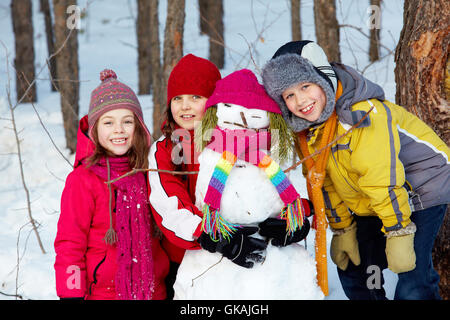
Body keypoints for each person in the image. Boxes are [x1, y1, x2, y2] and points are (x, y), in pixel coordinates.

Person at [261, 40, 450, 300]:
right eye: (289, 95)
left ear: (323, 78)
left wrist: (398, 231)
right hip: (374, 196)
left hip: (421, 185)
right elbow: (326, 183)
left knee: (412, 279)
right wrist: (344, 229)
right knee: (354, 267)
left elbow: (380, 176)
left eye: (305, 86)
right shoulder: (307, 130)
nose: (301, 100)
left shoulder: (360, 114)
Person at [54, 69, 169, 300]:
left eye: (127, 121)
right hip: (103, 294)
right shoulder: (83, 180)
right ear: (95, 130)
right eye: (108, 122)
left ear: (138, 127)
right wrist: (71, 293)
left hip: (154, 291)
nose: (119, 129)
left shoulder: (149, 170)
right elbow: (70, 243)